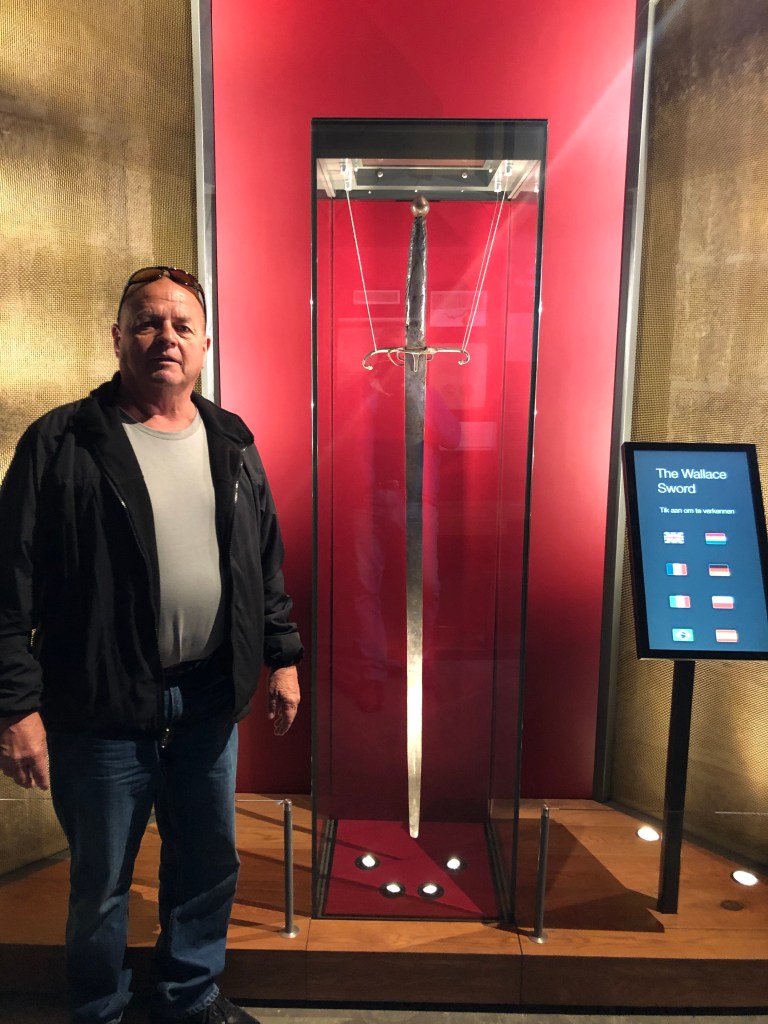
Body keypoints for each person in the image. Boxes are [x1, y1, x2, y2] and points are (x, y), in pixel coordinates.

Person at [0, 266, 303, 1024]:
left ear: (205, 344)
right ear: (117, 338)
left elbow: (263, 562)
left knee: (207, 863)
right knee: (101, 880)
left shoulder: (232, 441)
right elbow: (8, 585)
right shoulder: (61, 442)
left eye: (181, 325)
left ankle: (187, 996)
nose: (165, 336)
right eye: (147, 321)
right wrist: (15, 706)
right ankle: (99, 1008)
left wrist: (283, 656)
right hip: (98, 705)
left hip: (207, 698)